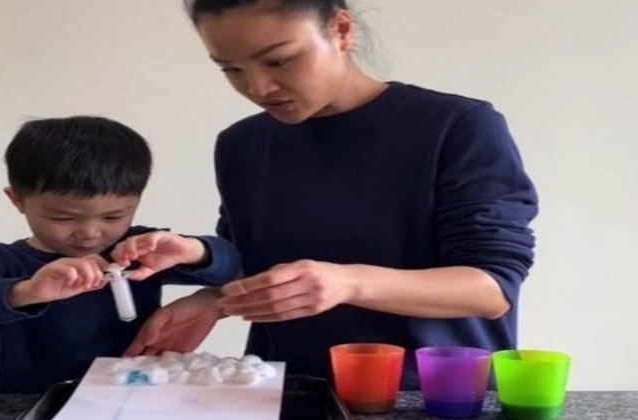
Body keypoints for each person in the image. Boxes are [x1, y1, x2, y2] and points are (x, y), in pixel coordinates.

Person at [127, 0, 539, 391]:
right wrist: (213, 298)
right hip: (288, 390)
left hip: (431, 397)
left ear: (341, 29)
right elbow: (255, 265)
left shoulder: (456, 127)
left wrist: (349, 282)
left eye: (278, 60)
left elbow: (491, 289)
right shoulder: (242, 144)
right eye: (231, 69)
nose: (258, 86)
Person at [0, 116, 241, 393]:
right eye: (63, 218)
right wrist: (27, 291)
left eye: (113, 216)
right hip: (29, 401)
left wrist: (195, 251)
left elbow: (232, 268)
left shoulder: (136, 248)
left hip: (129, 392)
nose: (90, 233)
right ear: (17, 200)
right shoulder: (8, 261)